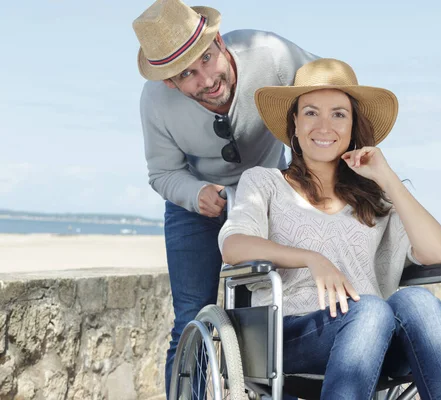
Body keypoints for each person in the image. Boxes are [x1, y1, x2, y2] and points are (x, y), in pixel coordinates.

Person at [218, 58, 441, 399]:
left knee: (418, 301)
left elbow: (437, 253)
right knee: (369, 308)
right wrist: (311, 258)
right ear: (294, 123)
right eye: (311, 112)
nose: (324, 126)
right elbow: (234, 246)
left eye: (338, 114)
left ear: (353, 126)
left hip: (375, 334)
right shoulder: (265, 182)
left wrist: (388, 178)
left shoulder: (375, 198)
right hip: (293, 333)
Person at [131, 0, 318, 394]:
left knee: (264, 319)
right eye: (188, 75)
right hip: (196, 208)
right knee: (189, 321)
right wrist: (195, 193)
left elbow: (328, 90)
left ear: (217, 40)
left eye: (208, 59)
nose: (207, 79)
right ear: (170, 83)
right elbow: (162, 173)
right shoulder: (155, 103)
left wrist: (305, 173)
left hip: (268, 199)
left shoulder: (270, 55)